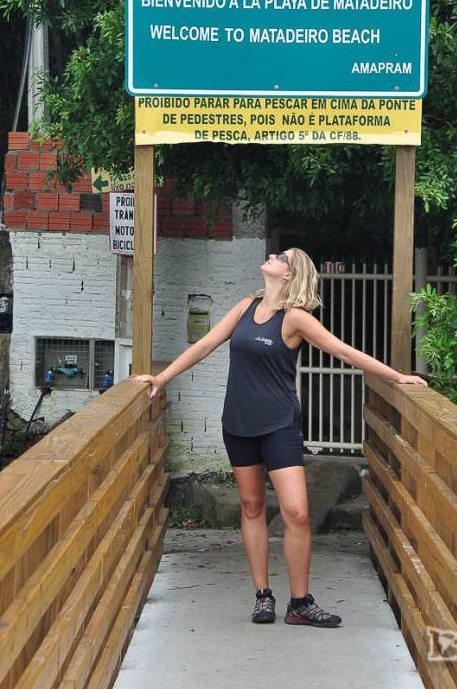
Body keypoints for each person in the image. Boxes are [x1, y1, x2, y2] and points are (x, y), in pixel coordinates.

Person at [132, 247, 428, 628]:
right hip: (237, 423)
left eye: (282, 257)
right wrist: (162, 378)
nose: (272, 256)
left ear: (290, 275)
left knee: (297, 513)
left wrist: (397, 376)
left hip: (279, 425)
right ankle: (263, 596)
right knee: (252, 508)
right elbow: (205, 346)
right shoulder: (244, 307)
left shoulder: (295, 319)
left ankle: (301, 603)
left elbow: (341, 350)